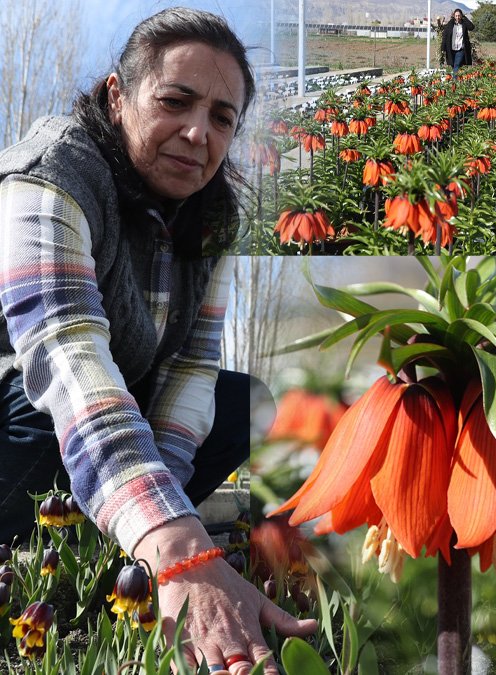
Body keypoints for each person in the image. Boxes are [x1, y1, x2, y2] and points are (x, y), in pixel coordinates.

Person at [0, 8, 315, 674]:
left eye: (223, 118)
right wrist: (174, 544)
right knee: (39, 414)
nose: (199, 132)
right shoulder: (51, 175)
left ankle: (120, 546)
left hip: (107, 416)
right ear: (118, 95)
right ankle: (41, 554)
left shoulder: (213, 217)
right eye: (175, 101)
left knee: (245, 400)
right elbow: (67, 357)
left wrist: (160, 524)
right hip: (29, 402)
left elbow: (193, 369)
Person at [440, 9, 475, 79]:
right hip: (451, 49)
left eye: (459, 15)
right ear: (454, 16)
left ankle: (454, 82)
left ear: (461, 16)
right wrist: (443, 48)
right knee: (454, 66)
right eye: (456, 16)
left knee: (457, 65)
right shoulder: (450, 24)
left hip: (461, 49)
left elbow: (471, 27)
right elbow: (445, 35)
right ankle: (459, 80)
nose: (457, 17)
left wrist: (465, 18)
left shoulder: (464, 24)